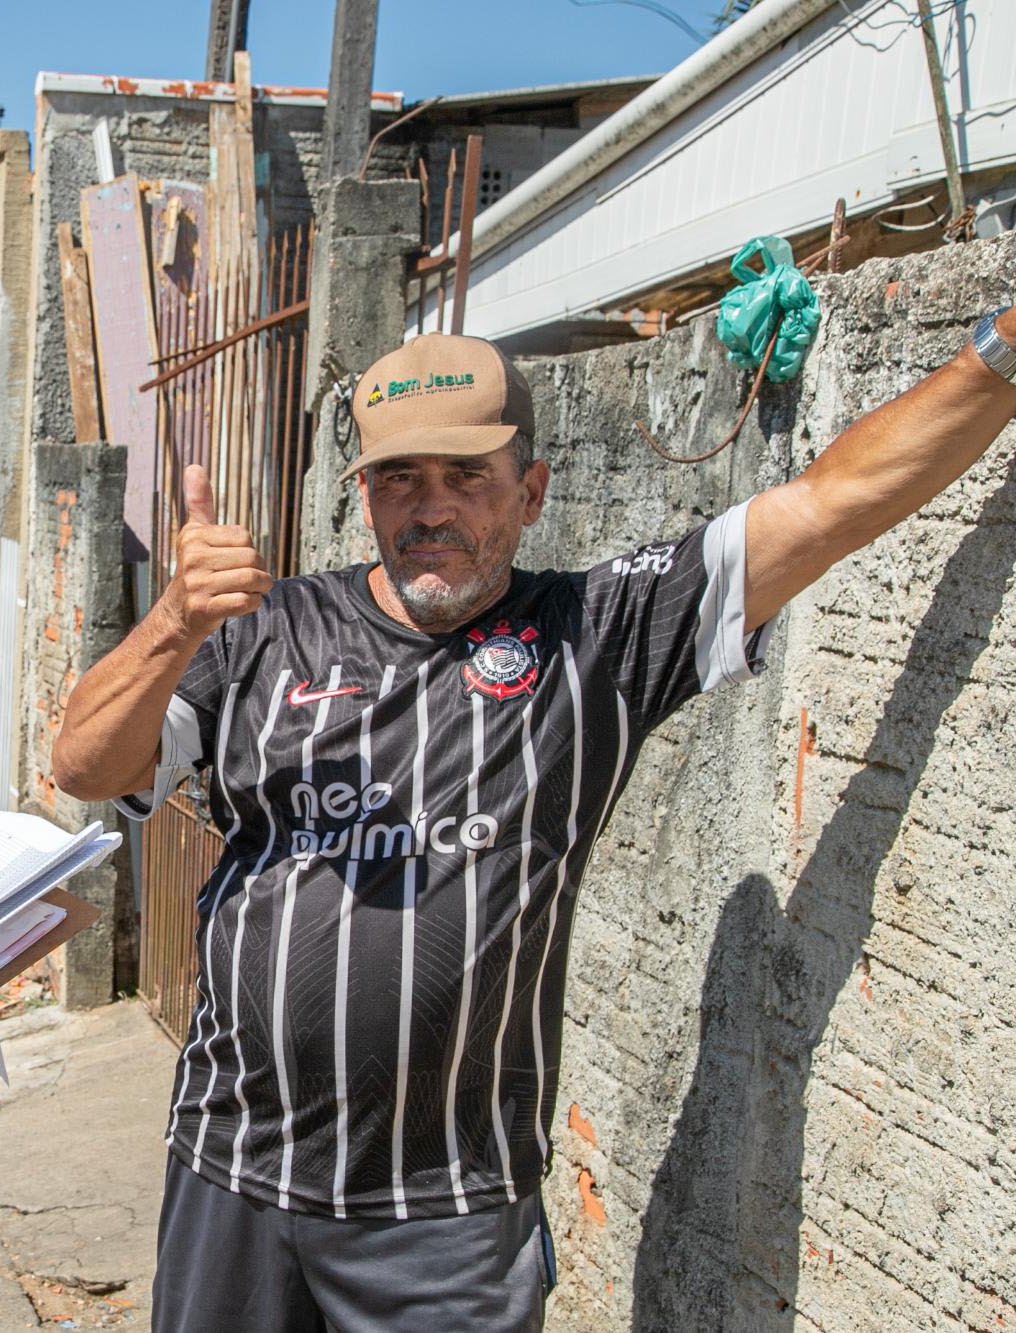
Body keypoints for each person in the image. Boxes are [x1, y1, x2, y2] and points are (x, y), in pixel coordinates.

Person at [53, 311, 1016, 1330]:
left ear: (533, 490)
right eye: (398, 478)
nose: (430, 508)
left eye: (466, 476)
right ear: (364, 494)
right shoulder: (264, 630)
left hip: (447, 1219)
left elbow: (831, 503)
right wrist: (175, 619)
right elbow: (86, 765)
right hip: (232, 1174)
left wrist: (999, 352)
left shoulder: (595, 637)